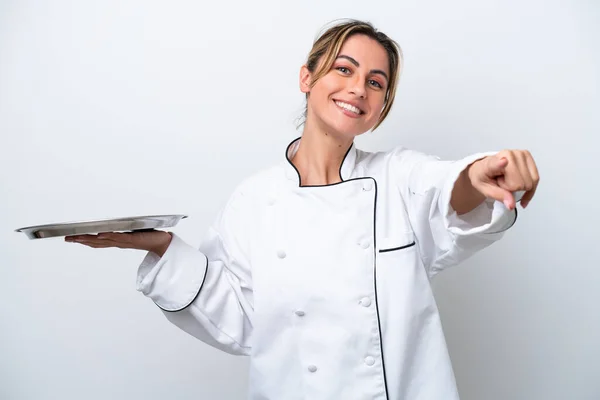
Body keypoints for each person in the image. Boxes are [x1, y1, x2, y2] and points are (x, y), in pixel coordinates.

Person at [65, 19, 539, 400]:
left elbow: (446, 190)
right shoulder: (255, 199)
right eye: (344, 69)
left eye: (376, 82)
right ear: (307, 78)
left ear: (382, 107)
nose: (358, 89)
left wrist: (480, 172)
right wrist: (165, 247)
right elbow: (246, 323)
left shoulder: (398, 176)